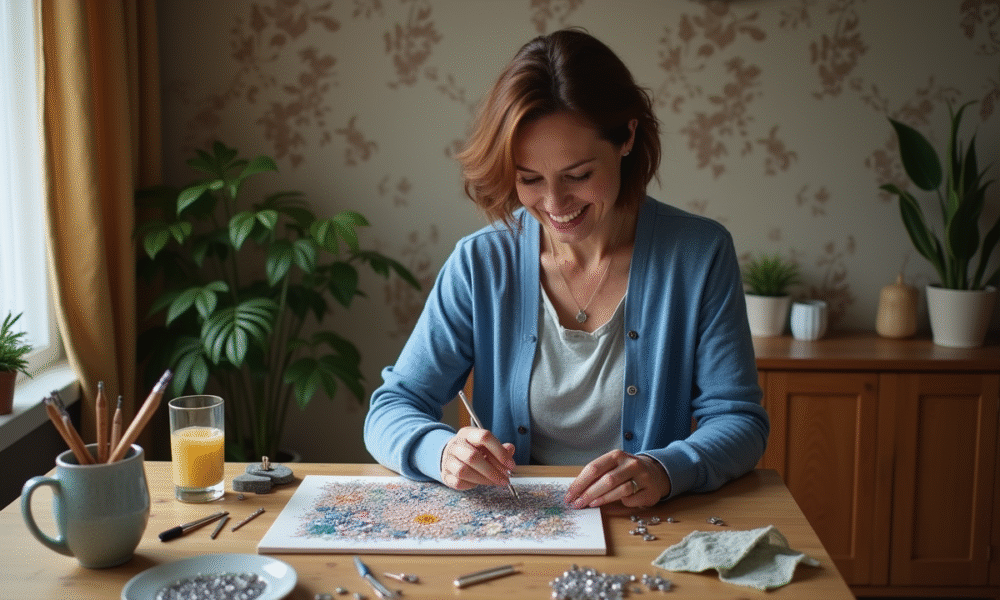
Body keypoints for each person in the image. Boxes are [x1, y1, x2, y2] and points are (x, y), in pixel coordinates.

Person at [364, 28, 768, 509]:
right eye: (529, 179)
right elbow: (391, 408)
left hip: (646, 530)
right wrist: (442, 450)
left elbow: (740, 421)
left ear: (627, 137)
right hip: (514, 528)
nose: (555, 205)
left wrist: (664, 468)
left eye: (579, 176)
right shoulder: (481, 261)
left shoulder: (700, 255)